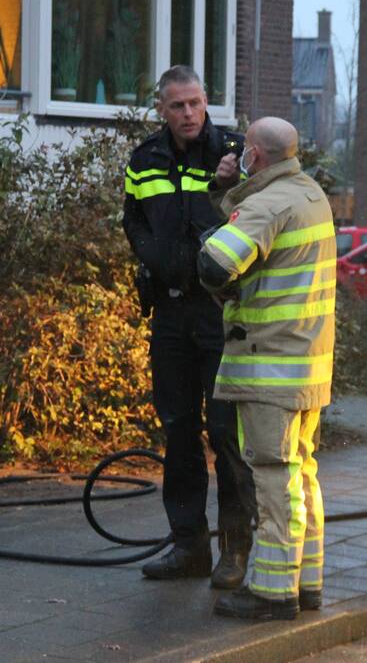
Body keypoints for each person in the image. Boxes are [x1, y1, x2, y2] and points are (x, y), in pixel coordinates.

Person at [122, 65, 256, 588]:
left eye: (196, 102)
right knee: (178, 430)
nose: (188, 114)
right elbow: (132, 216)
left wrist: (228, 185)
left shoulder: (235, 154)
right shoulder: (145, 158)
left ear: (207, 101)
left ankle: (235, 551)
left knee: (227, 434)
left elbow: (260, 213)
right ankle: (188, 547)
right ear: (162, 109)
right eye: (177, 106)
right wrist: (150, 253)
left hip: (220, 312)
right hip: (171, 314)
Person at [198, 117, 336, 620]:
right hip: (306, 367)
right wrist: (228, 191)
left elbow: (215, 262)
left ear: (255, 154)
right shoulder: (309, 194)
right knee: (302, 473)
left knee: (274, 478)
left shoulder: (268, 204)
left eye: (246, 149)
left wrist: (218, 277)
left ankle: (272, 593)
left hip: (267, 368)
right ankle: (305, 583)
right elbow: (258, 227)